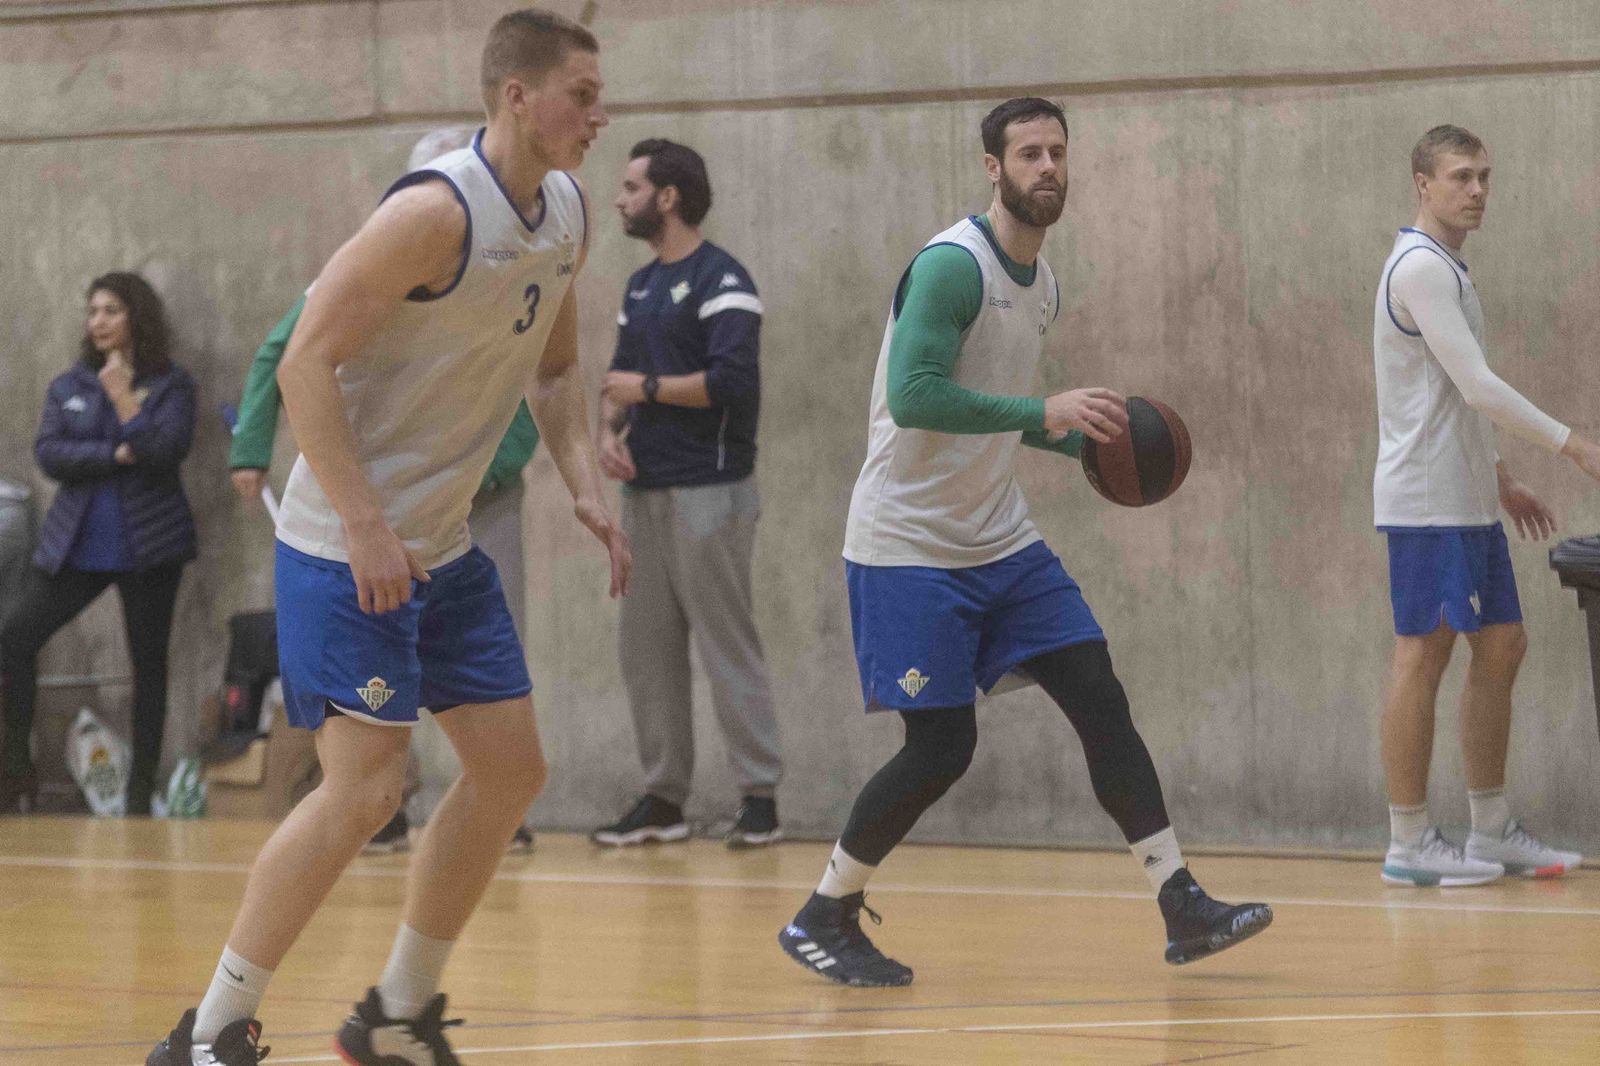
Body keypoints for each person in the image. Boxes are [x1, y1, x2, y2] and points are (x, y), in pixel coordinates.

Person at [148, 9, 626, 1064]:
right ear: (517, 96)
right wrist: (364, 523)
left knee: (509, 771)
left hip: (441, 546)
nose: (600, 113)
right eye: (581, 94)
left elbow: (551, 367)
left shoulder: (568, 214)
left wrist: (583, 482)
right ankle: (211, 1030)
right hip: (341, 543)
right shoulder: (432, 213)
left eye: (599, 95)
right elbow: (302, 361)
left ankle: (398, 1013)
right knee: (365, 790)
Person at [776, 98, 1273, 988]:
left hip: (999, 540)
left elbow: (991, 411)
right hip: (909, 548)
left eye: (1058, 153)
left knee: (1098, 693)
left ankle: (1180, 900)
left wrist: (1073, 439)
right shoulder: (951, 268)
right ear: (991, 168)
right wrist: (1041, 412)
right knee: (941, 749)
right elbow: (919, 394)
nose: (1047, 167)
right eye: (1028, 153)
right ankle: (825, 910)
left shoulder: (1041, 281)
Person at [227, 128, 542, 856]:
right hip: (381, 513)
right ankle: (390, 800)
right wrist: (251, 449)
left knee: (488, 673)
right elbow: (287, 352)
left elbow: (531, 382)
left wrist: (504, 463)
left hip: (478, 501)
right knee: (380, 688)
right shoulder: (380, 260)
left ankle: (486, 795)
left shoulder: (511, 258)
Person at [1372, 125, 1600, 888]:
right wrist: (1575, 444)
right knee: (1424, 652)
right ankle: (1408, 840)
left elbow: (1450, 392)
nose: (1477, 191)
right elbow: (1477, 385)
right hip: (1424, 502)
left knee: (1502, 646)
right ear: (1422, 184)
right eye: (1461, 177)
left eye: (1485, 177)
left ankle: (1491, 828)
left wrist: (1500, 477)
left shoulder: (1452, 270)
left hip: (1468, 498)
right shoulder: (1420, 268)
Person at [592, 138, 783, 848]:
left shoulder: (723, 281)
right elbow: (618, 379)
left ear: (668, 197)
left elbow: (732, 384)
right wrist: (609, 430)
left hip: (713, 490)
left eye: (631, 185)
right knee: (646, 651)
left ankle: (759, 796)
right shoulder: (640, 288)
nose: (619, 198)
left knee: (727, 645)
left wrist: (641, 391)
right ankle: (664, 797)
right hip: (645, 491)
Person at [1, 272, 197, 817]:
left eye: (111, 310)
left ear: (137, 315)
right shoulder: (69, 385)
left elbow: (165, 449)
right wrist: (114, 454)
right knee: (13, 638)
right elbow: (50, 455)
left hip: (151, 548)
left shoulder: (171, 384)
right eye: (92, 312)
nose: (99, 322)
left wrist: (123, 401)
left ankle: (137, 799)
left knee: (148, 666)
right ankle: (17, 773)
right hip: (77, 546)